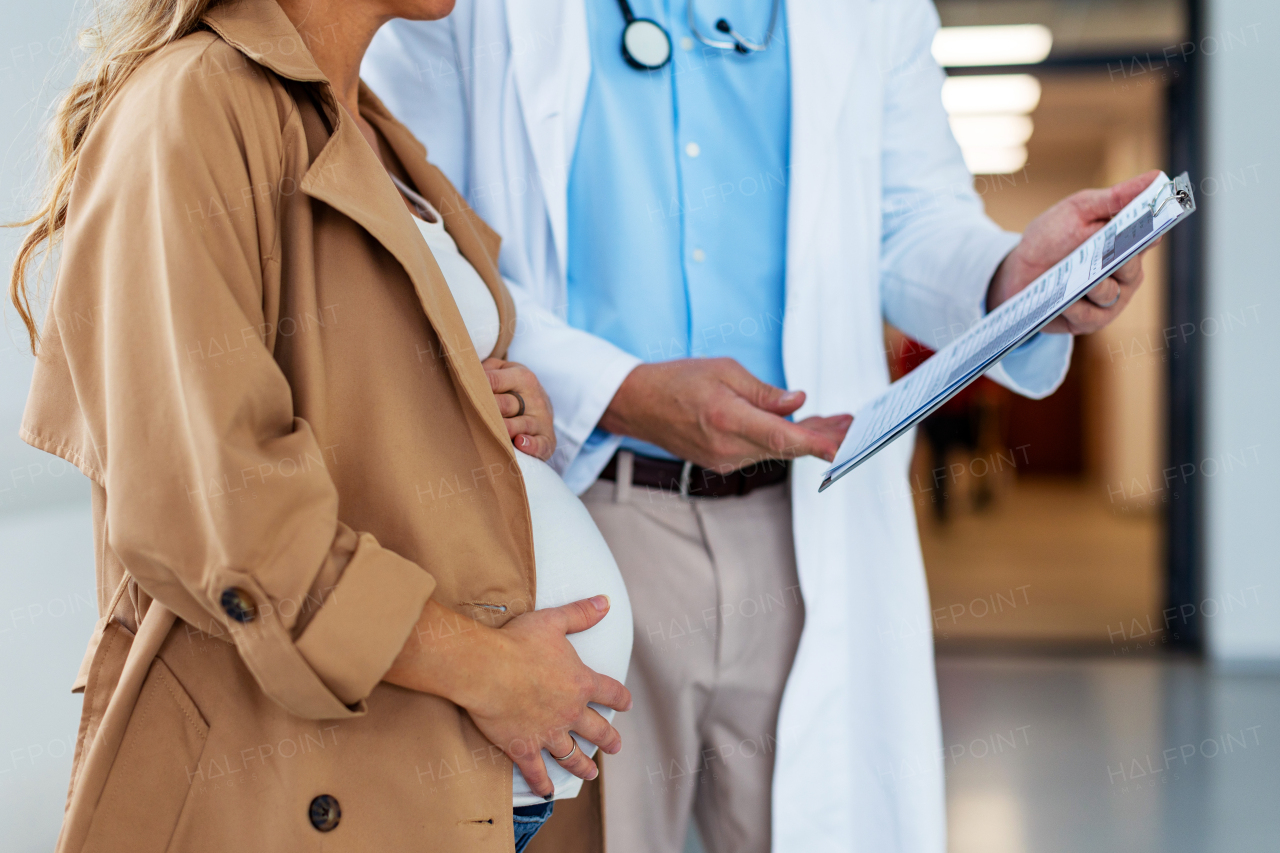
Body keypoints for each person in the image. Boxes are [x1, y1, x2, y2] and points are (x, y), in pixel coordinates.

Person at [362, 3, 1158, 851]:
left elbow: (912, 221)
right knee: (593, 831)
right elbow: (423, 237)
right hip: (584, 514)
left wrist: (1008, 276)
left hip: (805, 524)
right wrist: (622, 390)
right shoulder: (460, 9)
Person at [9, 0, 632, 851]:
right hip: (327, 788)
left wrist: (476, 403)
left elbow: (347, 386)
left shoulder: (360, 117)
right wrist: (492, 672)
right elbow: (219, 509)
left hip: (457, 782)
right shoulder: (192, 105)